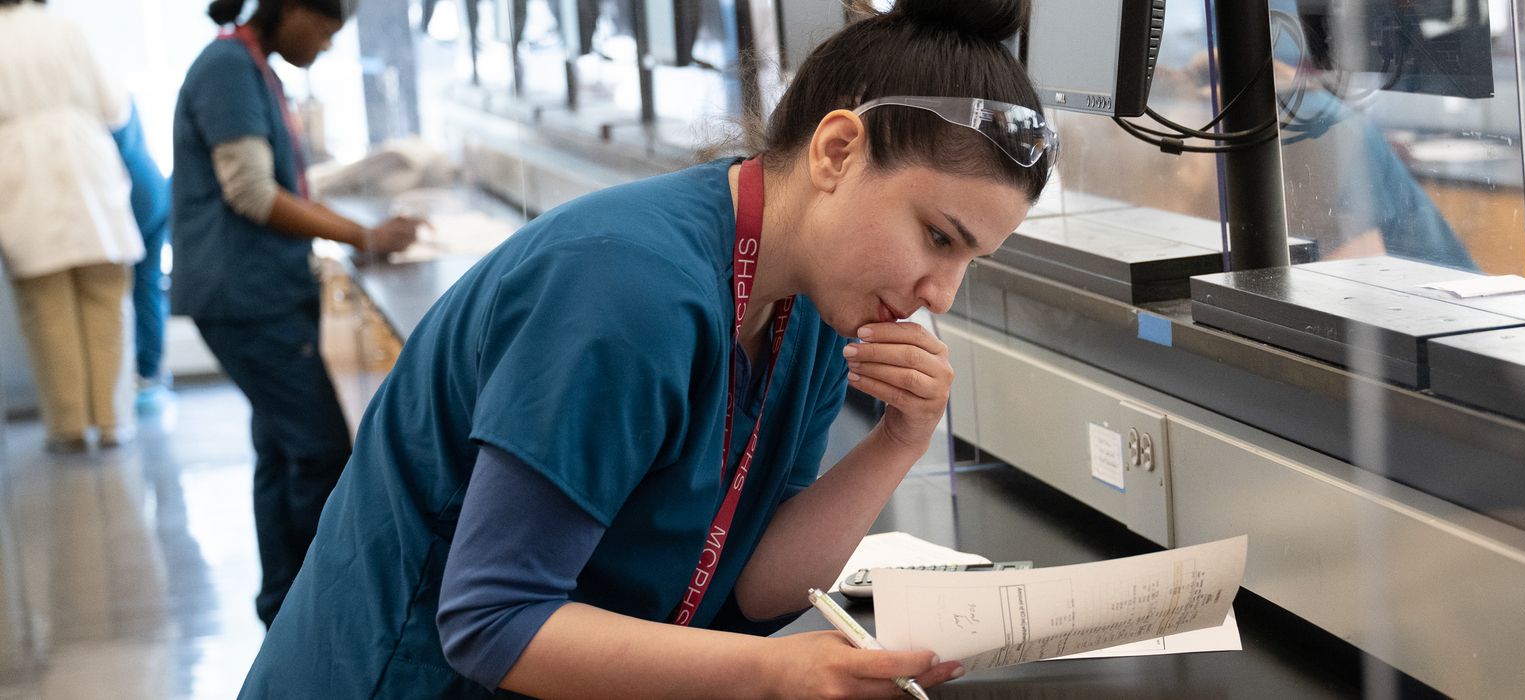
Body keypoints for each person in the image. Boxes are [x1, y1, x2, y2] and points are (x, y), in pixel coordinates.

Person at [240, 0, 1054, 696]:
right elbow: (491, 620)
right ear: (837, 151)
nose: (940, 294)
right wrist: (772, 674)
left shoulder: (808, 310)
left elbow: (754, 585)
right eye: (937, 237)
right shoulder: (625, 289)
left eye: (970, 261)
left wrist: (899, 441)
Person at [172, 0, 419, 627]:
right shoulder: (228, 70)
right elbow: (253, 193)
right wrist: (363, 235)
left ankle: (284, 608)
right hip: (246, 296)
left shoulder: (254, 65)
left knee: (282, 447)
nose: (327, 45)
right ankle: (323, 616)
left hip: (259, 289)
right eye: (326, 29)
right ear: (291, 8)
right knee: (319, 449)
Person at [0, 0, 145, 453]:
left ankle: (70, 428)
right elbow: (115, 106)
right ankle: (113, 422)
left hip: (21, 178)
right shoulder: (69, 29)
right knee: (107, 303)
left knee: (48, 314)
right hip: (89, 168)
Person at [111, 100, 176, 411]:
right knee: (148, 286)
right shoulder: (118, 91)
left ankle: (130, 379)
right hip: (152, 185)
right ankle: (150, 374)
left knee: (114, 293)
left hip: (128, 192)